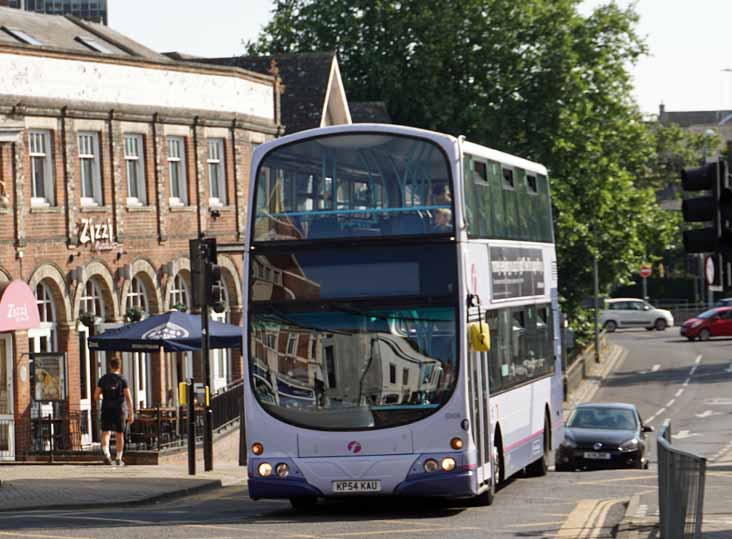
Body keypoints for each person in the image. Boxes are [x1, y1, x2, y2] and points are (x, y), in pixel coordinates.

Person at [93, 357, 134, 466]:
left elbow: (96, 396)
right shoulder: (122, 380)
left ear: (110, 366)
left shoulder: (103, 379)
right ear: (119, 366)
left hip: (106, 408)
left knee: (106, 432)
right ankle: (118, 458)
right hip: (119, 409)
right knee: (119, 433)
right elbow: (128, 398)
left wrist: (104, 397)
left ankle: (106, 455)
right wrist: (131, 413)